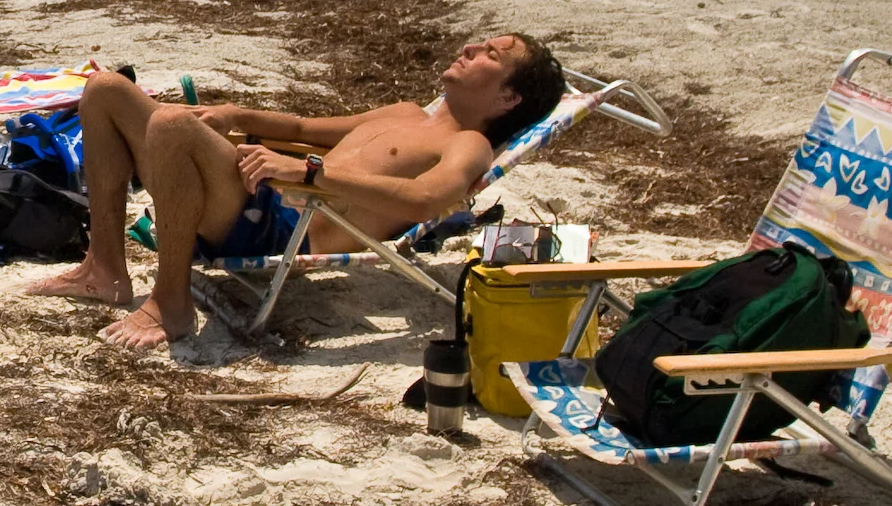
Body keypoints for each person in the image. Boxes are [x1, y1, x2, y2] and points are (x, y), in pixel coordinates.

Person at [30, 34, 565, 352]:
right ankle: (104, 268)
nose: (470, 48)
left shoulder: (468, 143)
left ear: (507, 97)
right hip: (262, 193)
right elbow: (307, 128)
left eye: (490, 54)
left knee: (170, 124)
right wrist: (236, 116)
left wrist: (310, 176)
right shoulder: (406, 113)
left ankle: (170, 302)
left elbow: (430, 200)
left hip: (290, 227)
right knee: (104, 90)